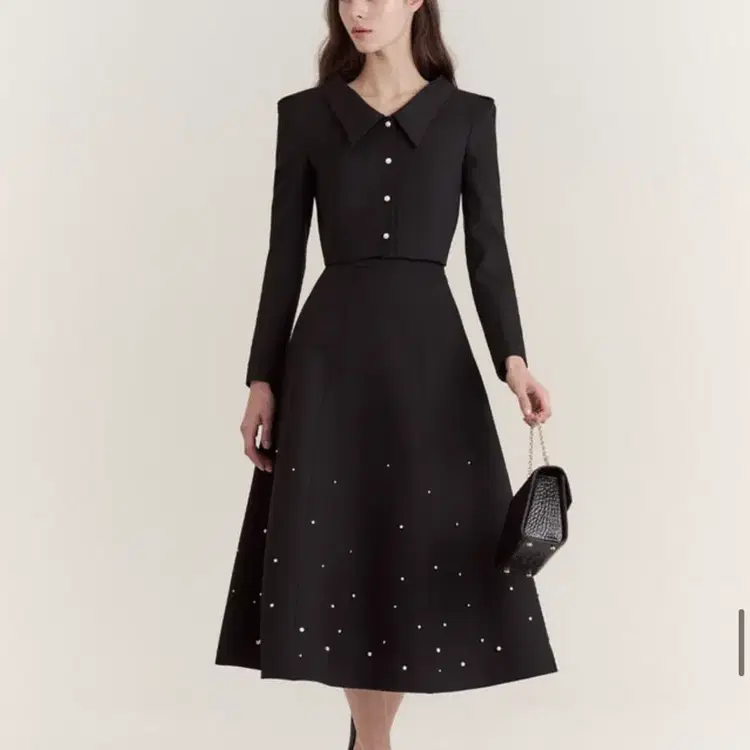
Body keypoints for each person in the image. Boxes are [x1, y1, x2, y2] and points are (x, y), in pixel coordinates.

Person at [215, 2, 557, 749]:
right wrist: (262, 378)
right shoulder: (307, 115)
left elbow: (488, 251)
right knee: (343, 548)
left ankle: (369, 739)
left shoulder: (468, 116)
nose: (359, 10)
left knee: (409, 553)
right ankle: (374, 742)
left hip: (430, 362)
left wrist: (513, 360)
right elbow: (283, 255)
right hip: (330, 362)